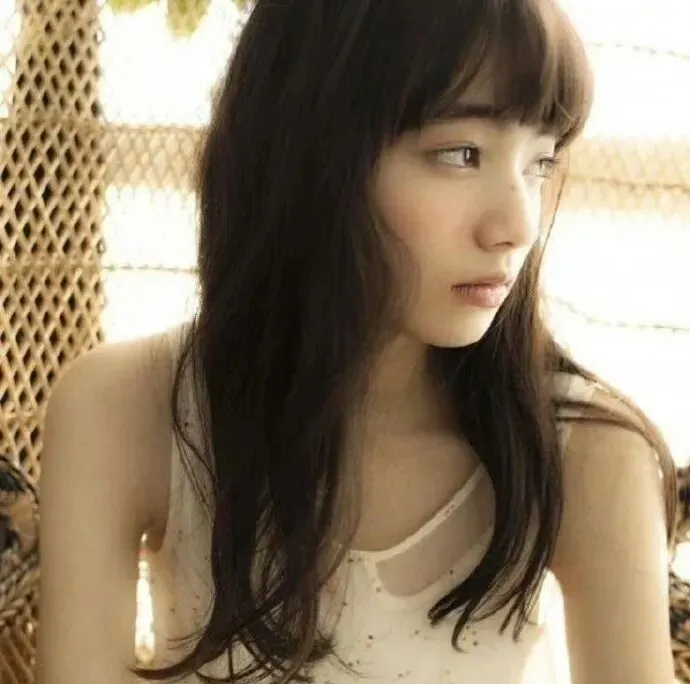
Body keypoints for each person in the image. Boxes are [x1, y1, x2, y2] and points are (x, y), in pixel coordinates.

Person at [36, 0, 678, 682]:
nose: (518, 226)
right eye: (461, 154)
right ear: (310, 153)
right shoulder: (124, 410)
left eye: (541, 163)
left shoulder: (586, 452)